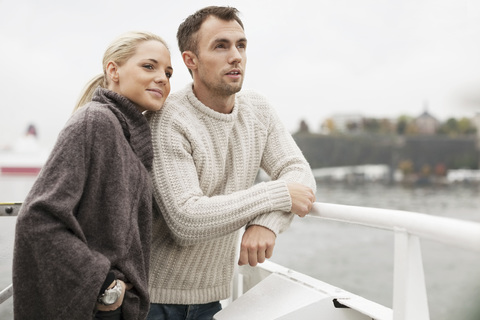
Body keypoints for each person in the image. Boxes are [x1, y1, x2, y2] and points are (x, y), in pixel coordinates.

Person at [147, 6, 316, 320]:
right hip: (153, 303)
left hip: (211, 300)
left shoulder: (257, 110)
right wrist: (275, 195)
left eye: (241, 45)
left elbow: (299, 173)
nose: (236, 56)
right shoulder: (168, 119)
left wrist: (266, 223)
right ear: (190, 61)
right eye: (221, 46)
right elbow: (187, 218)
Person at [12, 31, 173, 320]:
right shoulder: (95, 122)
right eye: (150, 66)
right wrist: (104, 283)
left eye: (168, 72)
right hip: (99, 307)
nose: (163, 77)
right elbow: (37, 219)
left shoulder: (125, 133)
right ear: (113, 70)